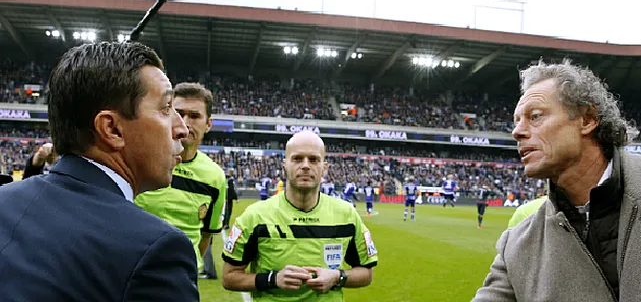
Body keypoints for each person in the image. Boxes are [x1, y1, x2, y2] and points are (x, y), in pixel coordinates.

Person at [0, 42, 198, 301]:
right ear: (112, 129)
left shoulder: (4, 200)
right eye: (165, 108)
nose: (182, 128)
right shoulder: (155, 249)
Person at [473, 59, 641, 302]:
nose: (517, 132)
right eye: (516, 121)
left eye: (534, 116)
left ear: (587, 119)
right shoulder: (516, 246)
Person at [221, 131, 377, 301]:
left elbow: (366, 272)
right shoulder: (255, 216)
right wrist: (273, 279)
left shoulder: (346, 215)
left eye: (313, 159)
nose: (305, 165)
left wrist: (337, 276)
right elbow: (229, 277)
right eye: (297, 158)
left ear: (324, 168)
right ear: (284, 165)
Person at [135, 82, 227, 279]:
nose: (185, 122)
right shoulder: (139, 159)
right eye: (179, 113)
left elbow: (206, 236)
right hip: (132, 272)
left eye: (194, 116)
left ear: (208, 124)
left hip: (181, 279)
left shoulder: (215, 177)